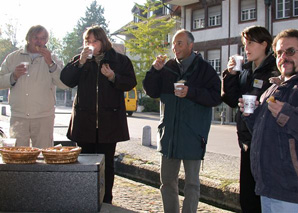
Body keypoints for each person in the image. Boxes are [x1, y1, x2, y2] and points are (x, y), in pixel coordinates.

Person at [143, 29, 221, 213]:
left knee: (192, 184)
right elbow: (151, 91)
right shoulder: (167, 67)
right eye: (173, 43)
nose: (174, 47)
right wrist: (155, 70)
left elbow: (216, 97)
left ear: (190, 45)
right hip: (169, 134)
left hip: (194, 135)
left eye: (179, 43)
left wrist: (191, 92)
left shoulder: (205, 69)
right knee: (167, 182)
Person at [60, 25, 136, 204]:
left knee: (107, 164)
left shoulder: (119, 60)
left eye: (95, 41)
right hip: (84, 121)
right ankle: (86, 199)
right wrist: (79, 63)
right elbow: (66, 80)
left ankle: (106, 200)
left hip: (109, 122)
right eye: (88, 41)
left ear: (103, 41)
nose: (91, 44)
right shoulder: (81, 60)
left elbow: (130, 82)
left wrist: (113, 77)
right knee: (84, 162)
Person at [239, 28, 298, 212]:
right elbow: (260, 130)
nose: (284, 57)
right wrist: (251, 115)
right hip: (268, 186)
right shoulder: (272, 88)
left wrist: (286, 113)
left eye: (291, 51)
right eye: (279, 52)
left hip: (290, 189)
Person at [221, 25, 280, 212]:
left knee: (266, 196)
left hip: (268, 142)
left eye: (250, 43)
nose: (246, 48)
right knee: (247, 195)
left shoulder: (276, 69)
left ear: (264, 44)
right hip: (247, 140)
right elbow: (230, 100)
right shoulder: (245, 69)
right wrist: (230, 75)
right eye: (244, 44)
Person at [0, 25, 68, 148]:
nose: (39, 41)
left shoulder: (53, 58)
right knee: (18, 157)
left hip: (44, 117)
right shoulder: (13, 57)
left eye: (42, 38)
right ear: (28, 38)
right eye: (35, 37)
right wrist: (13, 76)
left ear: (46, 41)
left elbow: (64, 84)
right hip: (18, 116)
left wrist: (51, 64)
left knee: (44, 156)